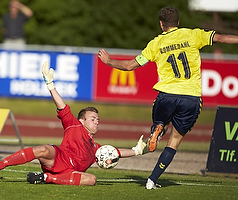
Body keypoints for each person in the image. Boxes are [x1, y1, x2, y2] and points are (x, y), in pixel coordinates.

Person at [98, 6, 238, 189]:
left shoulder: (156, 44)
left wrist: (109, 61)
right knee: (174, 141)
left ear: (161, 24)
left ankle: (158, 128)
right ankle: (152, 180)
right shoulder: (193, 35)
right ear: (178, 23)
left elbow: (131, 66)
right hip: (191, 97)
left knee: (160, 122)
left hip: (167, 95)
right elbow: (220, 37)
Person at [0, 62, 146, 186]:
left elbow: (116, 152)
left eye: (98, 120)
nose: (96, 122)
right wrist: (50, 85)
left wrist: (137, 150)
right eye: (92, 118)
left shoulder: (97, 148)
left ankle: (45, 178)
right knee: (42, 149)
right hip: (58, 159)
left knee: (92, 179)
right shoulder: (73, 125)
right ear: (82, 120)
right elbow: (61, 106)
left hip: (70, 174)